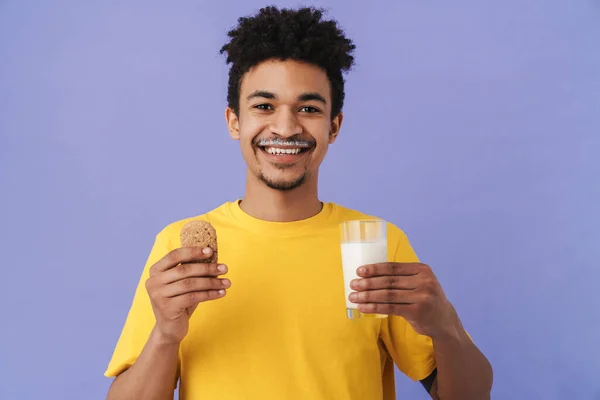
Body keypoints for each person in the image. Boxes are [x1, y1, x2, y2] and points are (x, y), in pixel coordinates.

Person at [104, 6, 493, 400]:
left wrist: (446, 327)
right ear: (234, 121)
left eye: (308, 108)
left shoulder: (374, 245)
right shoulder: (180, 251)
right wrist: (165, 336)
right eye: (264, 106)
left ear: (334, 127)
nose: (286, 127)